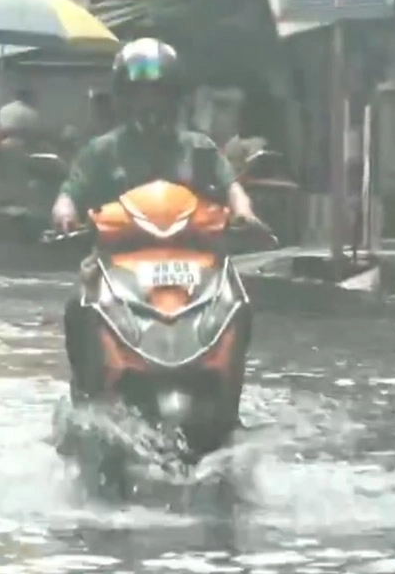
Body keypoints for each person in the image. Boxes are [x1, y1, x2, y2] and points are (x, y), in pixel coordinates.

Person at [52, 38, 268, 380]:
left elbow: (231, 186)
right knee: (78, 304)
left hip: (192, 255)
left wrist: (243, 211)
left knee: (238, 304)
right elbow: (70, 192)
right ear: (124, 97)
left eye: (158, 92)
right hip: (116, 255)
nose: (149, 102)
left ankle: (228, 386)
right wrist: (65, 215)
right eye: (139, 93)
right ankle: (87, 388)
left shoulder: (198, 148)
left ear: (174, 97)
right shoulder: (102, 150)